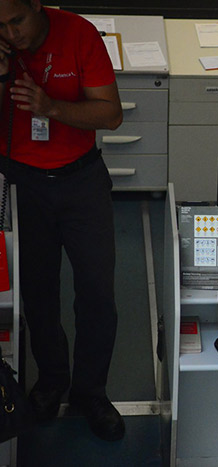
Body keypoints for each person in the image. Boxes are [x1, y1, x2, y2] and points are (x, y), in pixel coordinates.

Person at [0, 0, 124, 440]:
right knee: (37, 293)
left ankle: (91, 390)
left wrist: (50, 107)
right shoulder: (3, 48)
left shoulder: (78, 34)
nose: (12, 34)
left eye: (17, 21)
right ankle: (51, 381)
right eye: (1, 26)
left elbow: (110, 113)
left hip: (80, 180)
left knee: (96, 292)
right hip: (22, 183)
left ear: (37, 6)